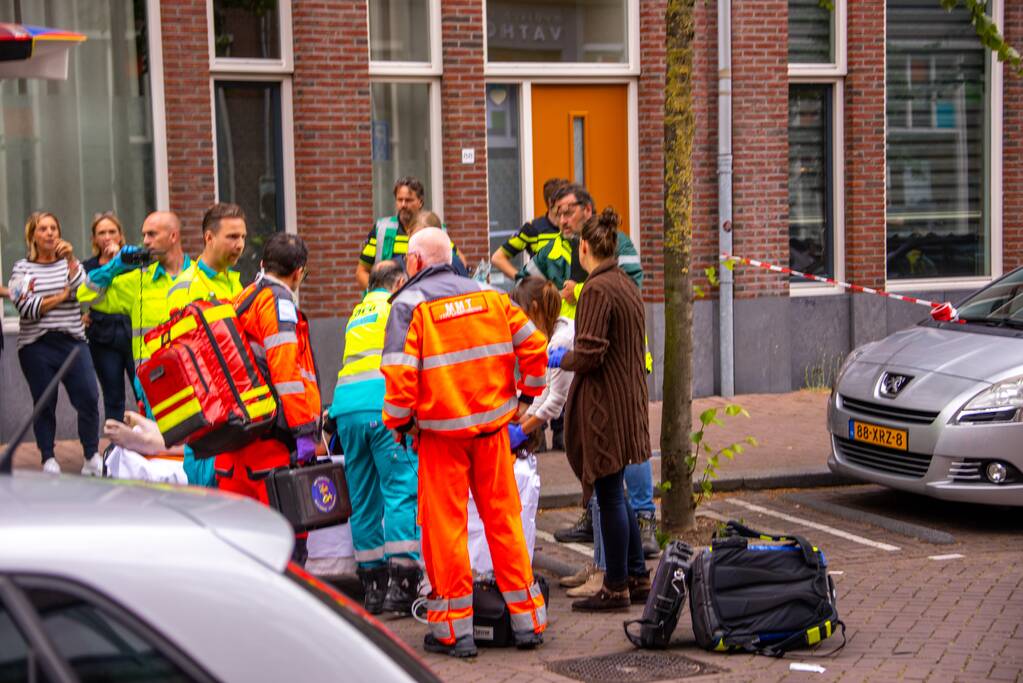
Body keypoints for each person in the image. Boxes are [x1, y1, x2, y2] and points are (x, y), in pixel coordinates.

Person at [381, 227, 548, 658]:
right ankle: (527, 622)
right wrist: (523, 399)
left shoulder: (408, 304)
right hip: (492, 433)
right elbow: (535, 347)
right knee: (504, 522)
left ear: (414, 262)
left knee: (447, 532)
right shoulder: (490, 295)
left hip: (440, 437)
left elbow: (399, 380)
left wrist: (401, 425)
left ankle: (454, 633)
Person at [548, 207, 652, 612]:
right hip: (628, 400)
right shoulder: (624, 283)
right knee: (617, 491)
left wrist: (561, 357)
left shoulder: (595, 289)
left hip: (605, 405)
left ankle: (615, 586)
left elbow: (590, 353)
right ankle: (637, 574)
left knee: (608, 494)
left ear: (585, 247)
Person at [219, 232, 321, 565]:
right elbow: (285, 370)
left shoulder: (243, 298)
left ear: (262, 264)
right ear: (299, 273)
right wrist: (305, 428)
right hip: (270, 448)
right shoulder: (279, 302)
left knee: (242, 548)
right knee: (286, 548)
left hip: (236, 441)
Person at [328, 260, 420, 616]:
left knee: (363, 499)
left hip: (347, 411)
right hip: (383, 409)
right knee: (399, 492)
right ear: (398, 282)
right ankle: (402, 585)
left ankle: (372, 587)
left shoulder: (358, 312)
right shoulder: (397, 307)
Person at [9, 211, 100, 475]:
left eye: (54, 228)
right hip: (36, 345)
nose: (50, 233)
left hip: (72, 341)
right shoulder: (22, 268)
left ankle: (91, 455)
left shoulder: (68, 265)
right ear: (33, 236)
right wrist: (62, 296)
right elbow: (26, 307)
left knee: (89, 397)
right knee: (44, 401)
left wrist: (70, 259)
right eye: (43, 229)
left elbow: (85, 291)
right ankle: (48, 456)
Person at [78, 211, 191, 366]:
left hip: (196, 376)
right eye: (144, 235)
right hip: (153, 379)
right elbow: (86, 294)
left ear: (173, 236)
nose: (145, 241)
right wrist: (114, 266)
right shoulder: (138, 280)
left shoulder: (200, 276)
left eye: (152, 234)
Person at [80, 212, 135, 425]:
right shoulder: (89, 267)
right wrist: (79, 317)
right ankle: (116, 449)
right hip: (103, 337)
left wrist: (120, 260)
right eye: (101, 232)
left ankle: (150, 446)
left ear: (121, 236)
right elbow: (79, 294)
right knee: (113, 397)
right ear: (94, 239)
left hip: (134, 333)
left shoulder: (134, 261)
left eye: (112, 231)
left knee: (145, 395)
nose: (107, 236)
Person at [355, 176, 425, 289]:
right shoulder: (381, 229)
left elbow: (458, 262)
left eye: (408, 200)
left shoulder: (433, 229)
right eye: (399, 200)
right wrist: (380, 294)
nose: (403, 205)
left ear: (420, 202)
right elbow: (361, 272)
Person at [490, 177, 567, 280]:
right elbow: (498, 258)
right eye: (563, 199)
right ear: (550, 202)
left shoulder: (574, 227)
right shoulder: (533, 229)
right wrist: (523, 280)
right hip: (543, 294)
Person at [403, 210, 469, 276]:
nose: (421, 242)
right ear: (409, 234)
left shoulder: (452, 262)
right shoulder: (399, 265)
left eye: (427, 239)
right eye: (417, 237)